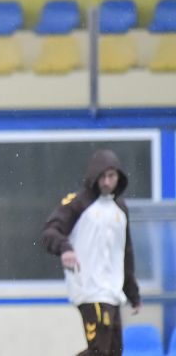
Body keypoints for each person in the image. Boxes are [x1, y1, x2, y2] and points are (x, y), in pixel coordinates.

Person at [42, 149, 141, 356]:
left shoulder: (121, 209)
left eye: (111, 176)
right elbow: (51, 231)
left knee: (113, 352)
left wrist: (132, 292)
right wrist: (65, 248)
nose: (106, 182)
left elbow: (125, 253)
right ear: (93, 177)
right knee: (99, 351)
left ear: (119, 177)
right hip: (89, 289)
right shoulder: (78, 203)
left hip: (113, 292)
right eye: (102, 176)